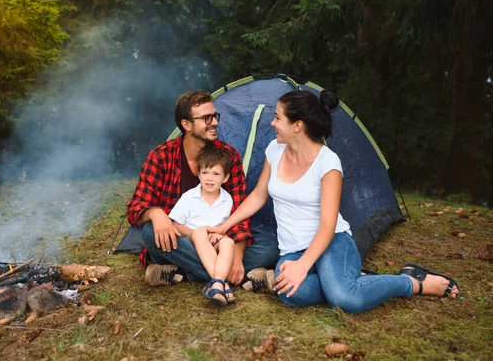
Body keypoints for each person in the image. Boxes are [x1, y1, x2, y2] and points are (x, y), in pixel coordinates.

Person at [208, 90, 460, 313]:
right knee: (288, 292)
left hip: (331, 241)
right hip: (292, 248)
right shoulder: (274, 150)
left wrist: (302, 266)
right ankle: (350, 279)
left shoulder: (327, 162)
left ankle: (412, 281)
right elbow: (259, 195)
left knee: (345, 298)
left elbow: (328, 225)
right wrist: (224, 225)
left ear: (297, 126)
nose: (272, 123)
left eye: (277, 117)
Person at [126, 90, 279, 288]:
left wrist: (237, 256)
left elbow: (239, 212)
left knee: (271, 246)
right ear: (186, 125)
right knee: (149, 232)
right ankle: (237, 276)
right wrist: (156, 214)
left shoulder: (228, 157)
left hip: (220, 240)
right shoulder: (161, 157)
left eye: (215, 116)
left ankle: (180, 273)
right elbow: (134, 209)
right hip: (183, 239)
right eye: (206, 118)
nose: (214, 122)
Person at [169, 145, 237, 306]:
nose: (209, 178)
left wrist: (221, 236)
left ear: (225, 178)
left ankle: (217, 283)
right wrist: (195, 233)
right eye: (205, 172)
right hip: (191, 242)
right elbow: (176, 224)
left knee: (229, 242)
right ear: (198, 174)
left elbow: (225, 227)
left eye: (216, 174)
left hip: (213, 244)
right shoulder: (189, 197)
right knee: (200, 233)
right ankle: (223, 284)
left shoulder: (227, 200)